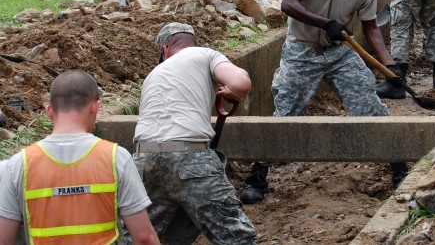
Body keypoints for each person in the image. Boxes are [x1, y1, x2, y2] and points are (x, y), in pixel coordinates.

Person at [238, 0, 409, 204]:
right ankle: (257, 176)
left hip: (339, 53)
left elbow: (371, 29)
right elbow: (288, 3)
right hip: (302, 50)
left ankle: (399, 167)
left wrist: (391, 65)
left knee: (369, 105)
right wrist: (325, 23)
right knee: (287, 112)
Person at [0, 70, 159, 245]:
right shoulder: (116, 158)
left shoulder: (18, 164)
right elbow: (144, 238)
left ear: (49, 111)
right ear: (95, 106)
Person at [131, 22, 257, 244]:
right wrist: (229, 91)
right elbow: (242, 83)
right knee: (235, 237)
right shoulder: (205, 54)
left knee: (144, 237)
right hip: (191, 160)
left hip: (143, 161)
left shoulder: (152, 75)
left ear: (165, 49)